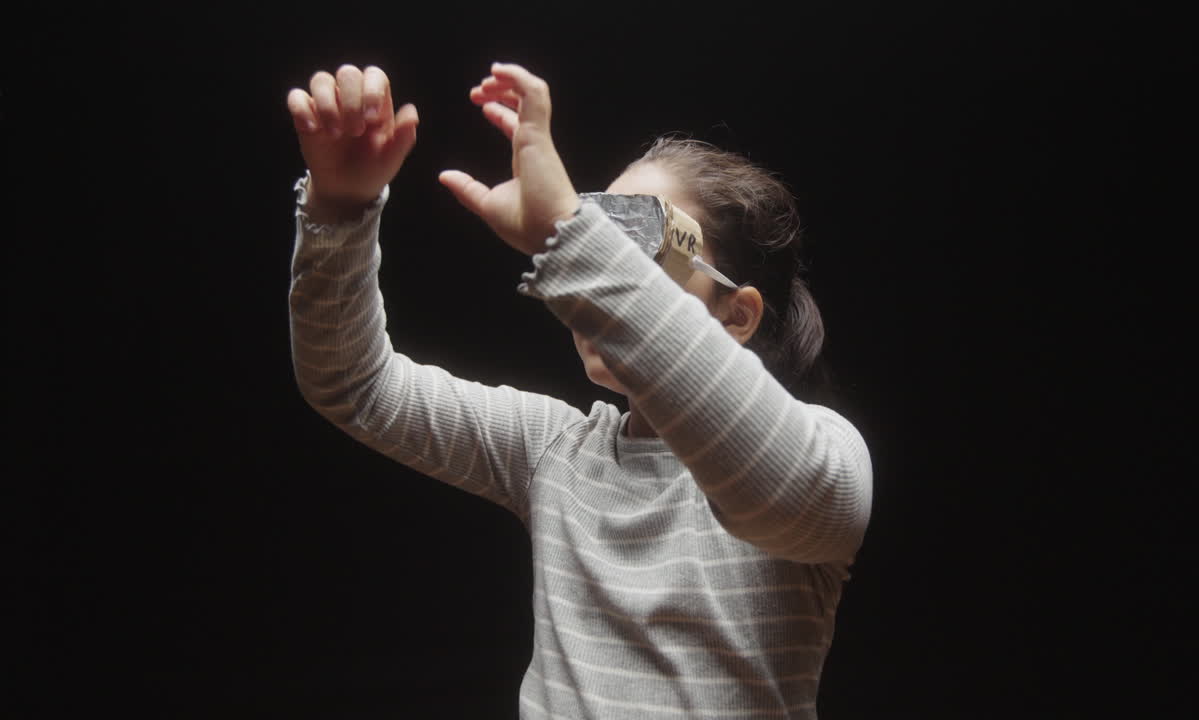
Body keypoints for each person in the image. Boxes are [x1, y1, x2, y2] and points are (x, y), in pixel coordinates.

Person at [286, 61, 872, 718]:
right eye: (600, 227)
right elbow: (353, 383)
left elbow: (773, 486)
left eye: (639, 237)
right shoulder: (553, 449)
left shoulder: (830, 456)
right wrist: (340, 209)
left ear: (737, 314)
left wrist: (570, 231)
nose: (603, 259)